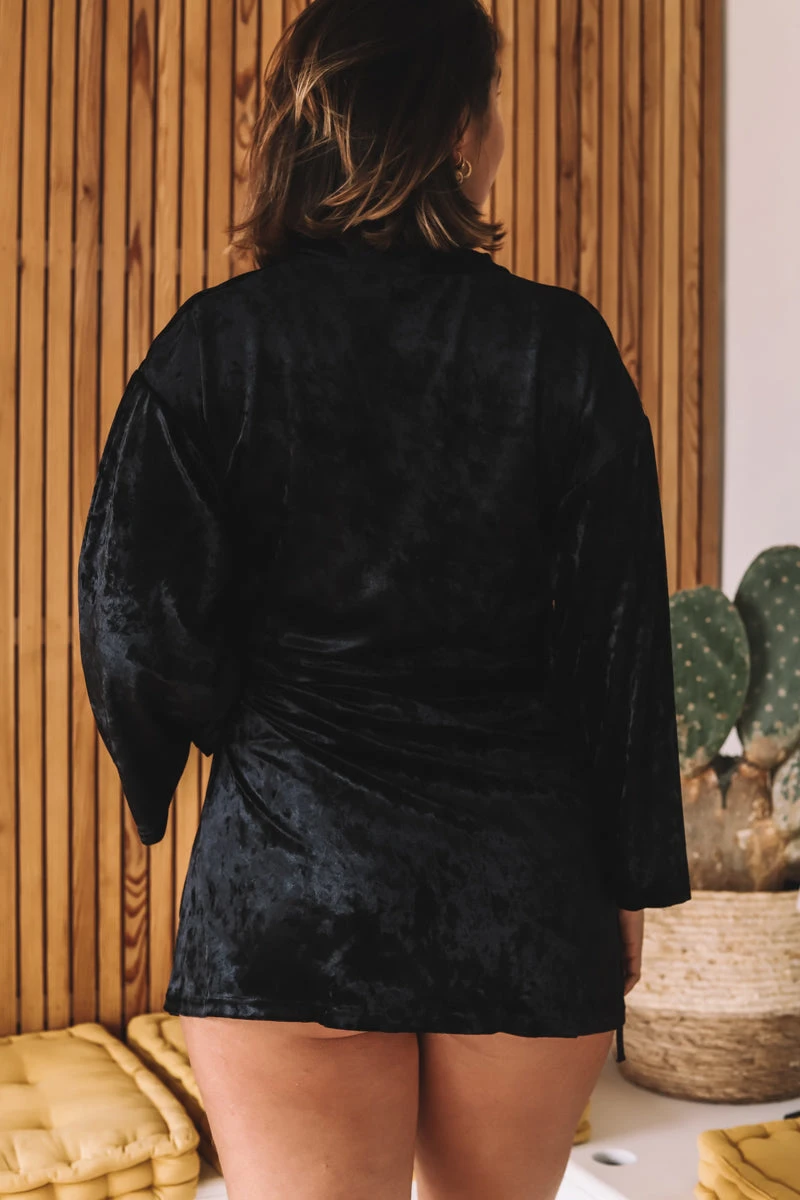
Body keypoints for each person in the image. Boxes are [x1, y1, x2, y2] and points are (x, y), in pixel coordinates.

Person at [77, 0, 692, 1196]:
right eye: (491, 106)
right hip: (521, 888)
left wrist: (233, 742)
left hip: (289, 886)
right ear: (455, 129)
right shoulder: (560, 351)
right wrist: (626, 884)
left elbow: (129, 624)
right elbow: (617, 653)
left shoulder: (215, 349)